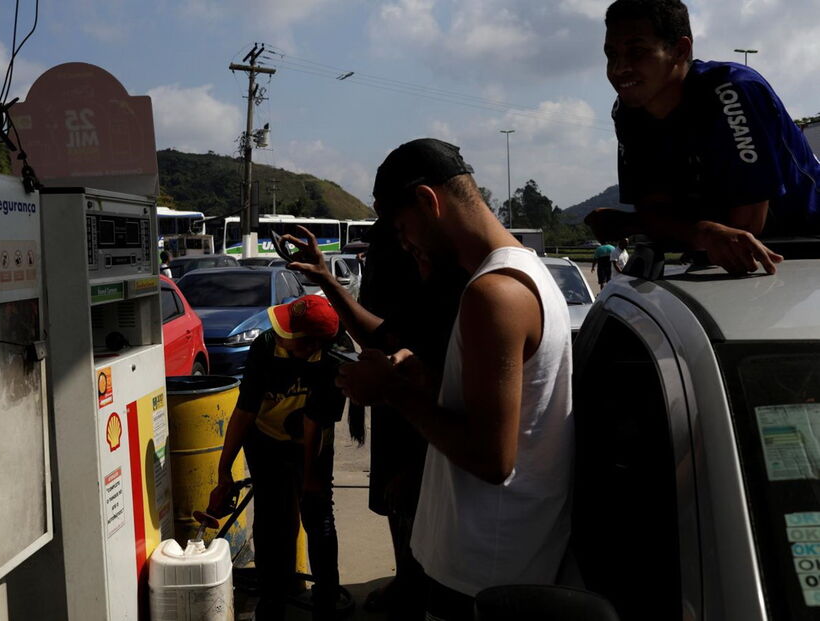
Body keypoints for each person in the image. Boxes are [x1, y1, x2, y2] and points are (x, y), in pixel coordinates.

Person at [329, 138, 574, 620]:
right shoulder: (522, 271)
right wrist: (431, 382)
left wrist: (391, 390)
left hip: (482, 577)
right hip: (491, 563)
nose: (405, 245)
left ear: (428, 201)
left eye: (403, 228)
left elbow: (492, 458)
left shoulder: (494, 294)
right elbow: (506, 410)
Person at [285, 218, 467, 619]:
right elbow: (378, 336)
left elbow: (393, 341)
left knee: (411, 502)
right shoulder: (392, 254)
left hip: (414, 406)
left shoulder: (443, 284)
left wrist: (416, 460)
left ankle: (416, 582)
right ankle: (407, 576)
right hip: (390, 392)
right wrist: (327, 278)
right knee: (393, 500)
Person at [587, 0, 820, 275]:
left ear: (680, 50)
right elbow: (654, 211)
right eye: (611, 54)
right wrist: (693, 230)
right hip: (722, 260)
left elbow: (742, 229)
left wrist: (633, 223)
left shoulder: (732, 91)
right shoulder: (627, 112)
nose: (619, 68)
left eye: (637, 52)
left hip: (805, 248)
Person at [207, 295, 344, 620]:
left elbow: (315, 423)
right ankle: (273, 601)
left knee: (318, 516)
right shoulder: (266, 346)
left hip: (312, 443)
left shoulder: (334, 356)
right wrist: (224, 472)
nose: (278, 332)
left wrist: (310, 482)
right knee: (272, 522)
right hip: (265, 440)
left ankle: (326, 601)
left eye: (289, 332)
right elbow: (245, 411)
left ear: (311, 344)